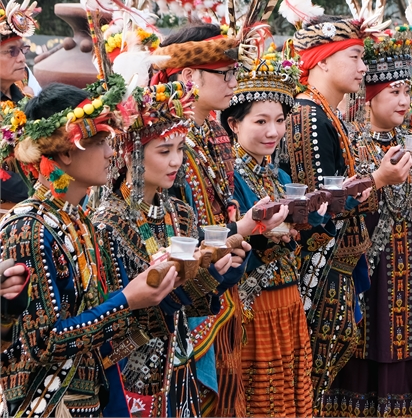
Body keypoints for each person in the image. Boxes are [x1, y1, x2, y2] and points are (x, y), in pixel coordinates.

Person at [279, 0, 408, 410]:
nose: (362, 67)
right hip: (321, 272)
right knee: (313, 378)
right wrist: (378, 179)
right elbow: (318, 210)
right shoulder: (309, 116)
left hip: (341, 268)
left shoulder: (330, 116)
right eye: (353, 57)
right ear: (321, 61)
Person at [0, 79, 177, 416]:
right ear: (66, 151)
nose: (112, 152)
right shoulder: (29, 227)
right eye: (99, 142)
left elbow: (111, 325)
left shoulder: (81, 219)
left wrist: (174, 284)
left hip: (91, 399)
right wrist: (127, 302)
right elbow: (43, 343)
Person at [322, 27, 412, 416]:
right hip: (370, 268)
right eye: (393, 93)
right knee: (366, 347)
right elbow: (349, 202)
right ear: (368, 99)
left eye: (405, 91)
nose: (403, 101)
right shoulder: (353, 143)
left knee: (407, 348)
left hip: (410, 269)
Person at [92, 81, 252, 417]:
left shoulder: (179, 212)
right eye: (164, 151)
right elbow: (115, 312)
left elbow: (190, 302)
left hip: (178, 359)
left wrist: (221, 272)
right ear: (130, 153)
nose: (176, 160)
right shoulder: (108, 222)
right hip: (128, 366)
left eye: (180, 148)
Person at [151, 23, 263, 416]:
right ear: (187, 77)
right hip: (189, 293)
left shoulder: (214, 131)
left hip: (224, 284)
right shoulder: (166, 137)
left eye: (234, 72)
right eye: (224, 73)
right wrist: (238, 231)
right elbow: (169, 226)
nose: (234, 81)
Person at [220, 50, 328, 417]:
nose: (273, 132)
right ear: (234, 125)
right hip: (254, 306)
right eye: (261, 121)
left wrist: (317, 222)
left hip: (288, 303)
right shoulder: (228, 178)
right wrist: (269, 236)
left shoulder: (280, 177)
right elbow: (233, 244)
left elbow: (301, 247)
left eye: (280, 120)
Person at [0, 0, 39, 205]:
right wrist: (39, 192)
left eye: (22, 50)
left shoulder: (24, 95)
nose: (22, 58)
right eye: (11, 52)